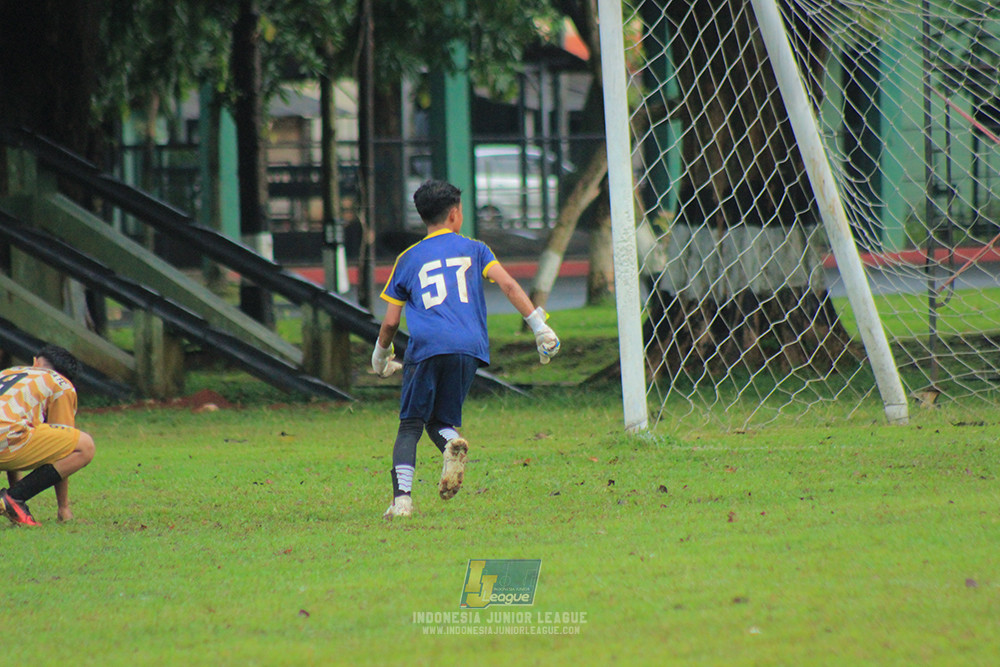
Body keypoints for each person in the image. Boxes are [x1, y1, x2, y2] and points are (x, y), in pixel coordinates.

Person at [372, 180, 560, 520]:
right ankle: (450, 444)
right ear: (456, 214)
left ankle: (402, 501)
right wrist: (539, 326)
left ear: (422, 216)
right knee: (440, 421)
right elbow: (508, 284)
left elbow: (389, 323)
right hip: (470, 348)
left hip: (427, 347)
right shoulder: (476, 249)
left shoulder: (407, 258)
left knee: (411, 425)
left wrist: (380, 355)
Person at [0, 345, 96, 526]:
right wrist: (63, 508)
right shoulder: (61, 383)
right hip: (6, 437)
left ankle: (13, 501)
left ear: (35, 361)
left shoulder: (9, 372)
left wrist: (17, 493)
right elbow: (65, 448)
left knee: (19, 430)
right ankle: (12, 499)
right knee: (85, 446)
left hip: (7, 437)